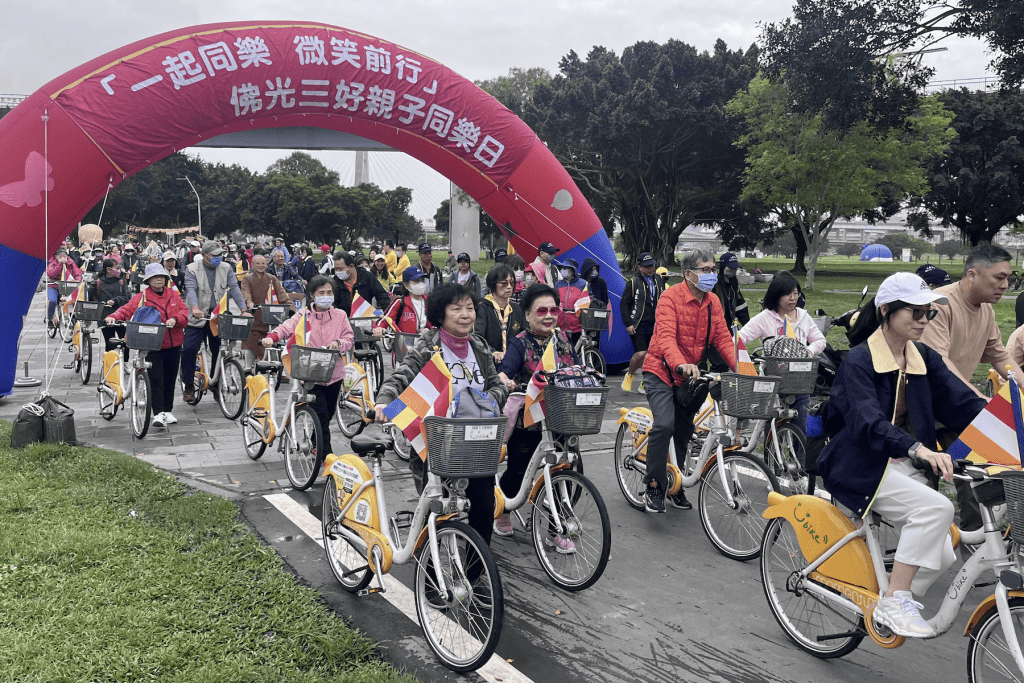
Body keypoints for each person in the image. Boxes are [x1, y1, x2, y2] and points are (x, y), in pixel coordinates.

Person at [818, 272, 985, 638]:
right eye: (916, 312)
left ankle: (884, 601)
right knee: (937, 510)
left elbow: (962, 402)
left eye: (930, 314)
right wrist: (917, 447)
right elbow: (866, 421)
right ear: (886, 310)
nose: (925, 320)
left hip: (904, 463)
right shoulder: (860, 361)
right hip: (860, 463)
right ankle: (896, 599)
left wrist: (1006, 425)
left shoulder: (923, 357)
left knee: (942, 555)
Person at [373, 283, 508, 545]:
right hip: (437, 441)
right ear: (441, 314)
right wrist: (383, 402)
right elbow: (403, 374)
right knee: (435, 509)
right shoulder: (429, 344)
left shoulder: (479, 346)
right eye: (456, 309)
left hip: (476, 440)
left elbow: (497, 386)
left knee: (483, 505)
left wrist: (482, 401)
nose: (465, 314)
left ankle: (476, 573)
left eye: (470, 308)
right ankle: (431, 576)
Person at [919, 243, 1024, 531]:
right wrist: (981, 401)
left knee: (981, 469)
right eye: (999, 278)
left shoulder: (986, 310)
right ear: (972, 274)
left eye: (1009, 278)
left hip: (956, 404)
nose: (1006, 285)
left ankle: (977, 538)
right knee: (926, 479)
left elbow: (999, 355)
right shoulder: (940, 303)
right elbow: (940, 364)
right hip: (921, 404)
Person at [641, 248, 736, 513]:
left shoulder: (713, 302)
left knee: (684, 432)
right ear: (688, 274)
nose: (711, 275)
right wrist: (679, 363)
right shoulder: (669, 298)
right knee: (664, 424)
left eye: (713, 269)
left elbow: (723, 339)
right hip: (661, 369)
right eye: (705, 270)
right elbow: (666, 337)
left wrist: (744, 368)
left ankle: (675, 483)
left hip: (691, 375)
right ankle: (654, 485)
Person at [493, 283, 579, 543]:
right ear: (527, 315)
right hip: (528, 421)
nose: (549, 315)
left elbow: (575, 368)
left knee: (566, 470)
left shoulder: (563, 339)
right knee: (519, 471)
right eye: (541, 311)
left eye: (554, 309)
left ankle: (556, 527)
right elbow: (505, 369)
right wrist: (503, 380)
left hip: (561, 416)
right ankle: (504, 510)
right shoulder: (519, 343)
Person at [262, 276, 354, 459]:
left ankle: (315, 443)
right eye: (321, 293)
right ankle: (326, 454)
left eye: (329, 292)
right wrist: (271, 337)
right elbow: (286, 327)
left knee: (328, 414)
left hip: (334, 373)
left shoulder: (340, 316)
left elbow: (349, 338)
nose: (326, 296)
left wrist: (339, 343)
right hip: (309, 373)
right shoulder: (304, 315)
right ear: (312, 295)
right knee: (320, 413)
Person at [738, 274, 826, 440]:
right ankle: (771, 461)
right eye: (787, 294)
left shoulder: (803, 316)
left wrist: (808, 352)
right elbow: (739, 339)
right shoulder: (765, 318)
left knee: (801, 428)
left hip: (799, 381)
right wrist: (747, 361)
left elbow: (820, 340)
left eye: (795, 293)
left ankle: (800, 462)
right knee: (770, 429)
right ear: (776, 295)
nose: (792, 298)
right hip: (772, 382)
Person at [105, 264, 189, 427]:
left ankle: (167, 410)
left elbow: (184, 313)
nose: (159, 279)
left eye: (161, 276)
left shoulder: (173, 295)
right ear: (148, 280)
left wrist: (176, 319)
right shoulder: (142, 297)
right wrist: (113, 316)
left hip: (174, 344)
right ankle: (157, 413)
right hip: (152, 344)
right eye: (155, 277)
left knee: (170, 379)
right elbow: (126, 310)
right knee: (156, 379)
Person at [181, 240, 250, 402]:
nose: (219, 258)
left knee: (219, 349)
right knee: (189, 349)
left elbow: (234, 288)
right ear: (204, 255)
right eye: (215, 255)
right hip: (196, 317)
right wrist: (195, 308)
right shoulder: (192, 269)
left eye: (221, 255)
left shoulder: (226, 268)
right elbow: (191, 290)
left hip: (217, 318)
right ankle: (189, 384)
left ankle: (216, 382)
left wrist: (243, 310)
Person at [620, 252, 665, 394]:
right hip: (638, 324)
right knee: (641, 353)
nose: (651, 268)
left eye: (652, 265)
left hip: (656, 324)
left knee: (655, 355)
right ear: (640, 267)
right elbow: (624, 304)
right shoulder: (633, 282)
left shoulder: (659, 280)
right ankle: (630, 375)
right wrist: (628, 323)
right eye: (647, 266)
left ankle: (645, 382)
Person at [240, 254, 291, 362]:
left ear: (266, 264)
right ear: (252, 265)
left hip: (271, 315)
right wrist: (249, 301)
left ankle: (278, 367)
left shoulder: (272, 278)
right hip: (255, 314)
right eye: (257, 263)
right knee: (251, 341)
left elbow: (281, 293)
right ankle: (248, 367)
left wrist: (290, 306)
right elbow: (246, 292)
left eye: (263, 263)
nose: (260, 266)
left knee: (275, 339)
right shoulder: (247, 278)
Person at [475, 264, 526, 363]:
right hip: (489, 362)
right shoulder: (483, 307)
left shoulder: (516, 308)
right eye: (504, 283)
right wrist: (493, 352)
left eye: (512, 283)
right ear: (493, 285)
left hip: (513, 362)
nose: (509, 287)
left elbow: (523, 334)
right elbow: (478, 337)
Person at [373, 266, 431, 338]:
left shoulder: (429, 301)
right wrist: (378, 328)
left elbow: (438, 322)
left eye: (422, 280)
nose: (421, 283)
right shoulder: (400, 303)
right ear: (406, 285)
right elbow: (385, 319)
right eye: (417, 280)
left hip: (425, 345)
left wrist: (428, 329)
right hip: (404, 346)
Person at [331, 251, 390, 316]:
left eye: (341, 269)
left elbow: (382, 296)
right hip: (344, 319)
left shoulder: (367, 277)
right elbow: (332, 304)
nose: (338, 272)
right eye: (336, 269)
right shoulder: (335, 282)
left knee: (378, 314)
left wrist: (387, 317)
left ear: (351, 266)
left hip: (365, 318)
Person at [93, 259, 132, 350]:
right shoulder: (97, 283)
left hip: (122, 317)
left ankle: (125, 363)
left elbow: (127, 297)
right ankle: (108, 363)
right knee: (109, 343)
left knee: (125, 343)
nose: (119, 270)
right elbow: (89, 296)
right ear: (109, 270)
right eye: (116, 267)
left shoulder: (121, 281)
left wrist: (115, 300)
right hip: (105, 316)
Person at [553, 258, 587, 347]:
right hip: (561, 325)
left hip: (577, 325)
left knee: (576, 350)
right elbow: (555, 301)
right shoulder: (558, 284)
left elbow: (587, 302)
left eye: (565, 268)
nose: (562, 270)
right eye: (562, 268)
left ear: (572, 271)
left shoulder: (582, 284)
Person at [45, 247, 83, 327]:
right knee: (52, 301)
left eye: (64, 256)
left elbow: (77, 273)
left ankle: (73, 319)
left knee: (72, 301)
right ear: (56, 257)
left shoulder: (71, 263)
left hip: (67, 287)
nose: (63, 258)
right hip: (54, 286)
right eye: (60, 256)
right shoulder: (52, 263)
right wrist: (60, 265)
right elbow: (51, 274)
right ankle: (50, 319)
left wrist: (78, 280)